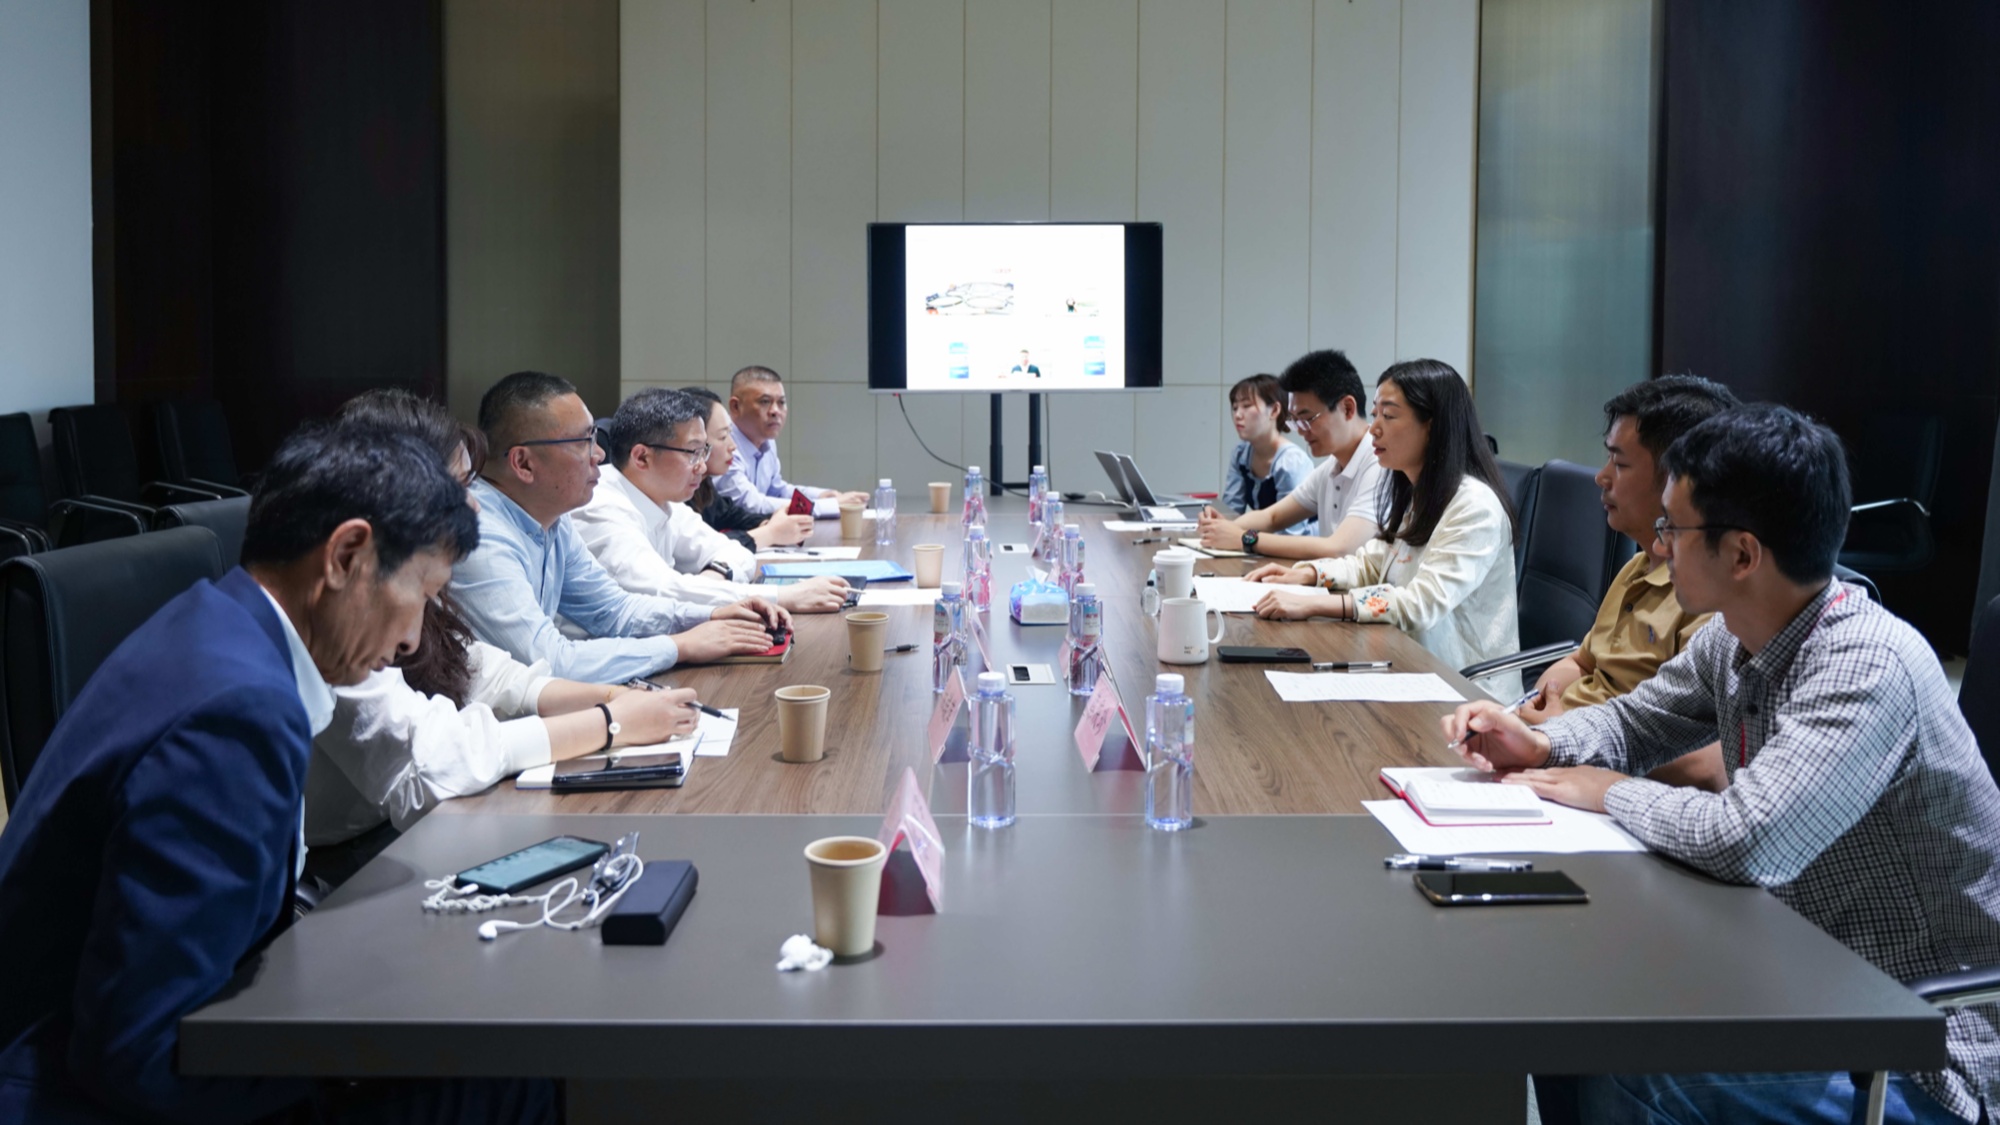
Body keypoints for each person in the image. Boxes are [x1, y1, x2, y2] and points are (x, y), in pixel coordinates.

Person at [1444, 405, 2000, 1124]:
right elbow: (1635, 719)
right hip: (1798, 971)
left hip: (1923, 1041)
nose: (1658, 546)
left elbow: (1748, 837)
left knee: (1637, 1070)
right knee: (1569, 1004)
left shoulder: (1866, 665)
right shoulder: (1736, 638)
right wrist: (1542, 744)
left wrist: (1611, 792)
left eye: (1674, 528)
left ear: (1741, 555)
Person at [0, 424, 553, 1123]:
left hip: (110, 1048)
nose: (413, 637)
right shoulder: (237, 712)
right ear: (346, 556)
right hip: (79, 1093)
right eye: (421, 591)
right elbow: (138, 1049)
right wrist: (356, 1065)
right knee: (516, 1075)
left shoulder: (214, 622)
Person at [305, 390, 705, 870]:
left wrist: (613, 698)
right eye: (458, 488)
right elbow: (428, 773)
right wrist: (608, 722)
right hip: (353, 855)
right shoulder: (340, 613)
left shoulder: (392, 575)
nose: (474, 508)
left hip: (408, 828)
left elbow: (484, 670)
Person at [449, 370, 785, 684]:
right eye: (583, 441)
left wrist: (711, 615)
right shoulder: (481, 536)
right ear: (523, 463)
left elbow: (614, 610)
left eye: (594, 437)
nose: (598, 453)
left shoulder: (551, 517)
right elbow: (550, 661)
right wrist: (680, 645)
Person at [1515, 375, 1740, 794]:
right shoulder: (1637, 566)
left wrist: (1563, 732)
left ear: (1679, 478)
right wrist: (1548, 703)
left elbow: (1705, 767)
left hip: (1609, 774)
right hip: (1575, 748)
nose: (1601, 477)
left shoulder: (1712, 602)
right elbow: (1585, 664)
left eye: (1619, 464)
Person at [1248, 360, 1521, 696]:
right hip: (1410, 663)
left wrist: (1314, 604)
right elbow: (1370, 564)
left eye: (1388, 416)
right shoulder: (1418, 492)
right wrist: (1306, 575)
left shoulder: (1474, 506)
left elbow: (1420, 604)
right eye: (1375, 414)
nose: (1373, 429)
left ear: (1433, 425)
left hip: (1465, 689)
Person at [575, 388, 851, 614]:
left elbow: (736, 553)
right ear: (642, 457)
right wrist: (783, 596)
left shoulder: (663, 500)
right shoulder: (601, 507)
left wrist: (713, 576)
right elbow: (661, 592)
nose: (703, 467)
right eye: (693, 452)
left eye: (704, 452)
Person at [1197, 349, 1385, 560]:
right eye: (1295, 421)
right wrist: (1222, 527)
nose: (1301, 431)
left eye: (1307, 418)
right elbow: (1273, 517)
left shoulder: (1379, 464)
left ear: (1347, 408)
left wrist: (1245, 538)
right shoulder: (1331, 468)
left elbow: (1339, 549)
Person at [715, 365, 869, 518]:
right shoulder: (723, 445)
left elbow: (777, 491)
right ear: (735, 407)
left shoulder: (766, 441)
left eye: (781, 402)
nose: (775, 411)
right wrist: (832, 506)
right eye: (765, 402)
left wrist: (821, 496)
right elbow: (751, 505)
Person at [681, 385, 817, 553]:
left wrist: (773, 523)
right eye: (723, 437)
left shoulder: (703, 485)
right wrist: (771, 533)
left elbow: (731, 516)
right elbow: (701, 549)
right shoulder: (675, 495)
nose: (733, 446)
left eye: (730, 434)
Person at [1217, 373, 1316, 531]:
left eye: (1247, 406)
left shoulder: (1291, 461)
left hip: (1302, 543)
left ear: (1274, 410)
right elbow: (1231, 512)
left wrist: (1244, 539)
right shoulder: (1241, 454)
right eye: (1235, 408)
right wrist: (1216, 524)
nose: (1237, 415)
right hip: (1265, 540)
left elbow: (1291, 532)